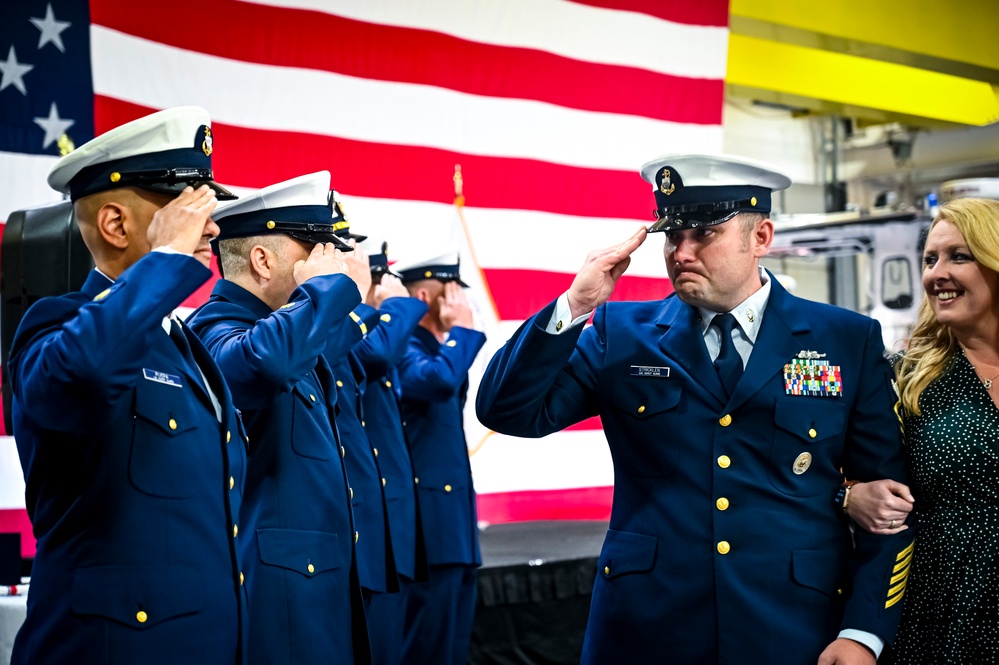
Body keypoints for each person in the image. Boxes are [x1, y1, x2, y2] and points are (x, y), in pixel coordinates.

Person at [475, 153, 914, 665]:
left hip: (791, 627)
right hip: (648, 629)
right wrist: (574, 305)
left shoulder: (843, 339)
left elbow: (890, 510)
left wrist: (863, 632)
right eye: (671, 235)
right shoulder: (622, 334)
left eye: (704, 233)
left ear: (761, 238)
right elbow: (507, 411)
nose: (681, 251)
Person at [7, 106, 248, 664]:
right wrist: (164, 258)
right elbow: (84, 372)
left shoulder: (183, 344)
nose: (211, 227)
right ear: (115, 224)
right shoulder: (54, 326)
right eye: (189, 207)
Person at [185, 171, 371, 664]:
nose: (330, 260)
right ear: (263, 260)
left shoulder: (290, 327)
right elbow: (263, 366)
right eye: (314, 247)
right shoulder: (215, 328)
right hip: (274, 600)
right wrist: (328, 291)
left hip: (316, 590)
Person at [875, 197, 999, 664]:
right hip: (942, 608)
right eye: (930, 259)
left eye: (958, 256)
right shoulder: (902, 375)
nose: (935, 274)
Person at [393, 249, 486, 665]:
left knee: (452, 646)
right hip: (428, 527)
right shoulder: (403, 345)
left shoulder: (436, 345)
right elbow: (437, 382)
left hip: (453, 524)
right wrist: (464, 333)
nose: (463, 303)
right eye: (454, 292)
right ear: (430, 297)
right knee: (428, 647)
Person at [345, 238, 430, 663]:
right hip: (360, 537)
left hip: (390, 530)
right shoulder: (352, 330)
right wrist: (390, 305)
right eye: (379, 277)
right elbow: (376, 354)